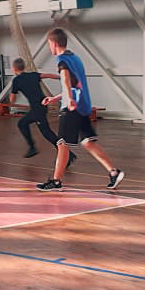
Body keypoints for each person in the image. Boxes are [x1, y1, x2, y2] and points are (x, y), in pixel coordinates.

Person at [36, 27, 124, 192]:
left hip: (72, 106)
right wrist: (56, 98)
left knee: (62, 143)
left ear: (53, 43)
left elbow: (65, 79)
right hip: (83, 104)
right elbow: (75, 84)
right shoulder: (75, 58)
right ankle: (114, 172)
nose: (49, 47)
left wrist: (69, 99)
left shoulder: (62, 60)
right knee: (88, 142)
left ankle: (56, 181)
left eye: (49, 44)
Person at [9, 57, 73, 166]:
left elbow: (12, 100)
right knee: (22, 123)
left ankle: (68, 154)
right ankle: (32, 147)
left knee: (47, 133)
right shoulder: (33, 75)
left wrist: (13, 94)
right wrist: (61, 77)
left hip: (37, 109)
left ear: (14, 69)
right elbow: (48, 75)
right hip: (41, 105)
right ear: (23, 67)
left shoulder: (16, 80)